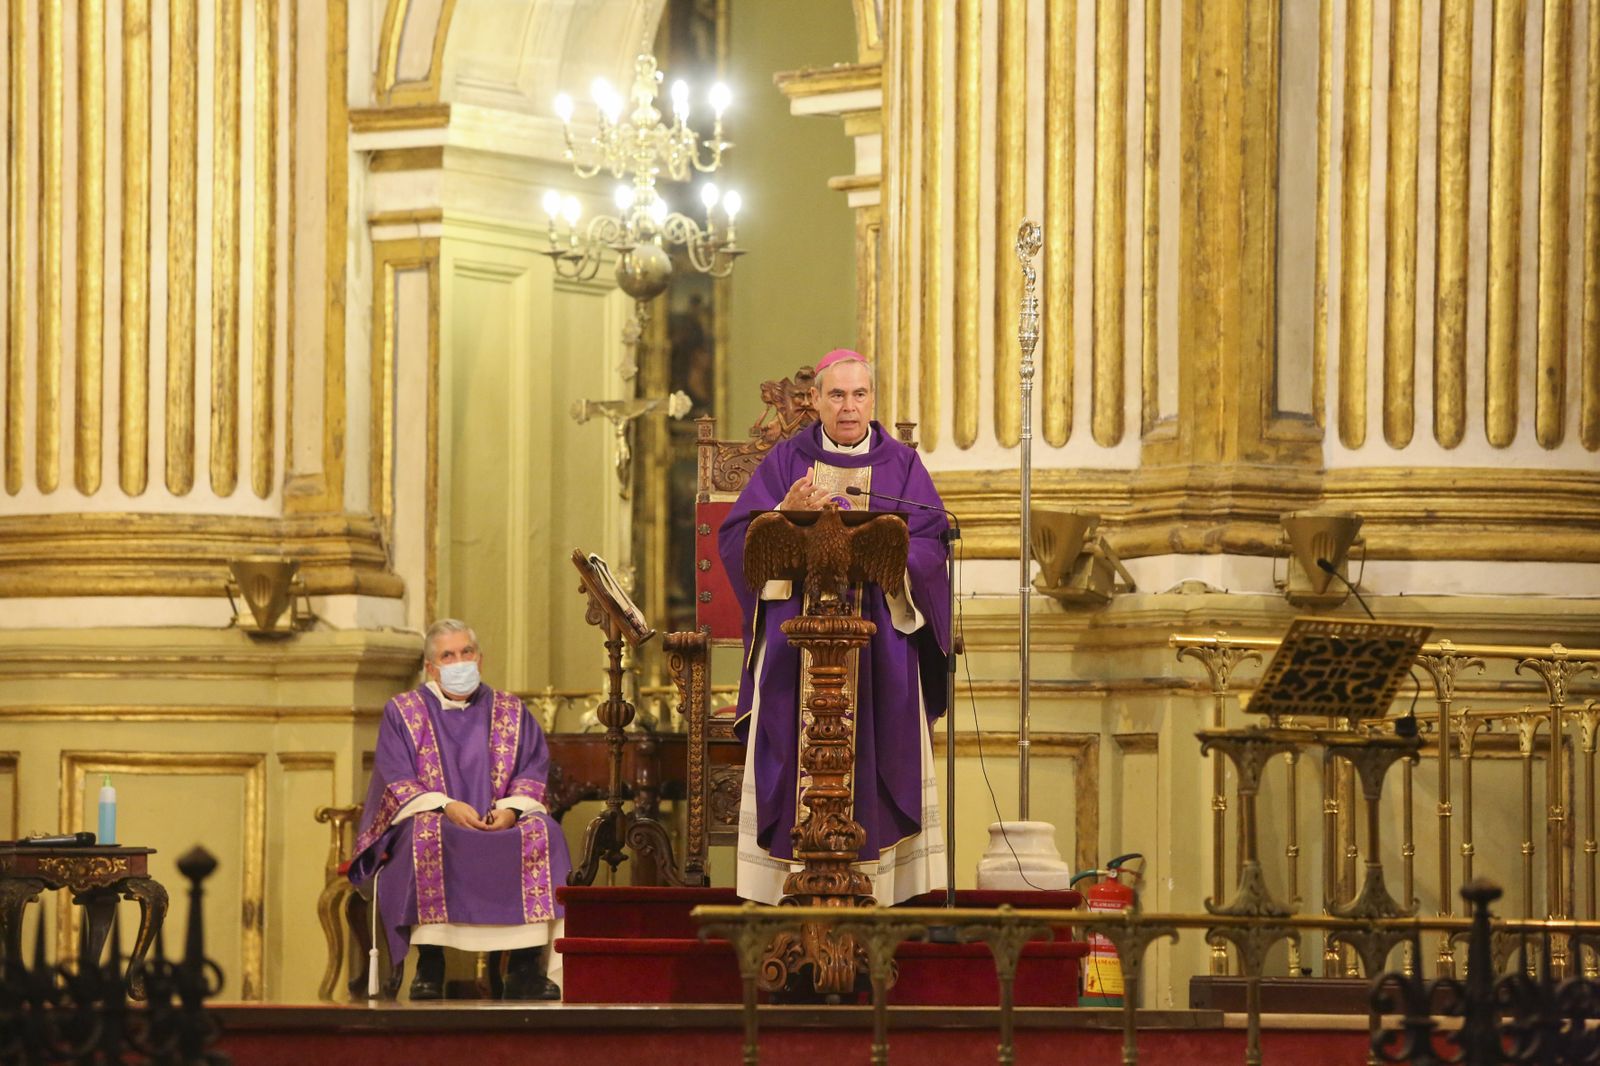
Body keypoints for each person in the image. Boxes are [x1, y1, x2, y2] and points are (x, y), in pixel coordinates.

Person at [718, 349, 951, 905]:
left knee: (888, 717)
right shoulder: (784, 461)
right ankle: (785, 878)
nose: (849, 407)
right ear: (816, 401)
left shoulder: (902, 465)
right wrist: (781, 512)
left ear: (873, 400)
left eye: (860, 394)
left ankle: (884, 883)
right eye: (837, 395)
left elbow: (932, 541)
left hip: (880, 642)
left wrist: (888, 553)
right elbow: (737, 540)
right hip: (799, 638)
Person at [348, 619, 572, 1000]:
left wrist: (512, 811)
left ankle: (523, 966)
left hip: (499, 820)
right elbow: (396, 776)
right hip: (437, 819)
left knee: (544, 831)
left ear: (480, 659)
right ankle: (430, 966)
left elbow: (533, 769)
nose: (459, 661)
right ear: (431, 667)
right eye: (447, 655)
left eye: (466, 652)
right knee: (425, 833)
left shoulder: (511, 710)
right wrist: (446, 806)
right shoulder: (403, 713)